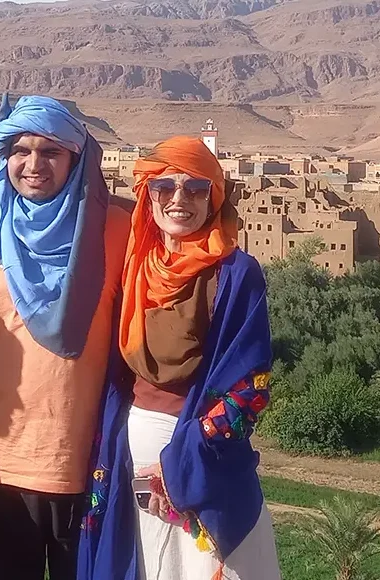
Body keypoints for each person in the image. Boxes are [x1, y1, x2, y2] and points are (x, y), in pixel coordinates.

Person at [0, 94, 131, 580]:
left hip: (92, 468)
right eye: (20, 150)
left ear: (76, 161)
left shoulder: (119, 232)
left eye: (50, 152)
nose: (33, 164)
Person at [77, 137, 280, 580]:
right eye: (164, 187)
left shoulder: (236, 274)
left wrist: (179, 466)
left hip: (205, 461)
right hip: (132, 454)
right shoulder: (134, 264)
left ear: (214, 197)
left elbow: (250, 388)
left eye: (195, 188)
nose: (178, 200)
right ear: (147, 193)